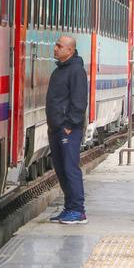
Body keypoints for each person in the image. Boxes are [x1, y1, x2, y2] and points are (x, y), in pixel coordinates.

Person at [46, 35, 89, 224]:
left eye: (59, 46)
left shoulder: (76, 71)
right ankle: (69, 207)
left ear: (70, 51)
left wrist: (70, 125)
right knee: (62, 169)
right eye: (56, 45)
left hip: (68, 129)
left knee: (70, 169)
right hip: (56, 128)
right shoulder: (59, 70)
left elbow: (79, 101)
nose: (55, 48)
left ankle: (78, 210)